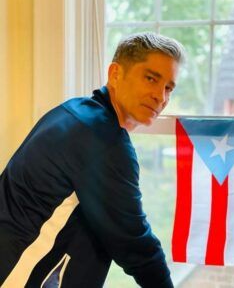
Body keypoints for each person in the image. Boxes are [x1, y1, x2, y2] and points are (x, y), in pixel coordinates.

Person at [0, 32, 185, 287]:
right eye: (151, 78)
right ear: (115, 73)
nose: (160, 96)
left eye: (168, 88)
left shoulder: (73, 111)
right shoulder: (103, 141)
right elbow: (135, 244)